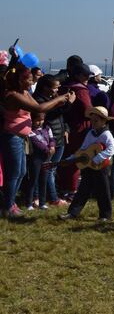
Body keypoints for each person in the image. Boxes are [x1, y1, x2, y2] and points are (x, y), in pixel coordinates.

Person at [1, 63, 74, 218]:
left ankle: (11, 203)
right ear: (20, 80)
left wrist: (59, 101)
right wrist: (59, 99)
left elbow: (40, 106)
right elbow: (39, 109)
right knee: (14, 173)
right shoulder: (13, 95)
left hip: (21, 137)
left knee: (21, 172)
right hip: (11, 137)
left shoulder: (24, 92)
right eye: (29, 79)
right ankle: (7, 207)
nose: (32, 81)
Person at [59, 107, 114, 222]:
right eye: (92, 120)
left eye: (96, 120)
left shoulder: (106, 134)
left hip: (101, 167)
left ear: (104, 121)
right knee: (83, 190)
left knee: (103, 190)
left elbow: (112, 149)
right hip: (88, 166)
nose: (93, 123)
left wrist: (98, 158)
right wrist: (71, 158)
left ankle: (105, 215)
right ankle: (72, 213)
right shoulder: (90, 133)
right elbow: (83, 149)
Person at [32, 74, 70, 207]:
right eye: (55, 87)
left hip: (58, 137)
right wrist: (64, 102)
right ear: (45, 87)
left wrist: (66, 129)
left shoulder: (52, 98)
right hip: (45, 139)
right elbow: (49, 115)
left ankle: (45, 197)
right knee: (43, 170)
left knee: (50, 170)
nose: (57, 90)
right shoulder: (38, 100)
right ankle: (45, 197)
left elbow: (62, 116)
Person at [59, 63, 93, 200]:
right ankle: (72, 190)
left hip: (65, 126)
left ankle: (63, 188)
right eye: (85, 75)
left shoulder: (65, 86)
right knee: (76, 160)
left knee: (66, 159)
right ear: (77, 75)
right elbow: (88, 110)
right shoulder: (80, 90)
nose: (87, 78)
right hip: (79, 128)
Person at [24, 112, 56, 210]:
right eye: (37, 120)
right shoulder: (30, 131)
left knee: (44, 180)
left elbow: (52, 139)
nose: (40, 122)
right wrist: (48, 150)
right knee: (33, 180)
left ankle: (42, 203)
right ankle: (29, 203)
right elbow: (36, 142)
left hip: (46, 158)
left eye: (42, 120)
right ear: (32, 120)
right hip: (36, 158)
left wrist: (52, 146)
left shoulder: (47, 128)